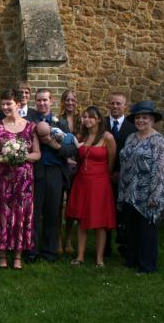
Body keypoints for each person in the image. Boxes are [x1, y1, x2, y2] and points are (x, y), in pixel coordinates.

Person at [0, 89, 41, 270]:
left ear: (18, 104)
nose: (5, 107)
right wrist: (5, 158)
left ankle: (18, 255)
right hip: (2, 180)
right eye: (3, 104)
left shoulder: (30, 127)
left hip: (24, 181)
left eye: (8, 103)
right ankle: (2, 254)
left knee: (20, 214)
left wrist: (22, 156)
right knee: (2, 213)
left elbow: (37, 154)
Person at [118, 101, 164, 274]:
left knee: (147, 232)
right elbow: (125, 164)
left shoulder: (158, 141)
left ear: (152, 120)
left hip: (147, 193)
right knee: (131, 229)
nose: (141, 120)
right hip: (129, 192)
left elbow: (161, 171)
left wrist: (155, 196)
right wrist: (123, 190)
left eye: (144, 117)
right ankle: (132, 260)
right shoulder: (131, 138)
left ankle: (147, 266)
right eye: (138, 117)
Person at [28, 88, 78, 262]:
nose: (42, 103)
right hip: (36, 172)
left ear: (52, 101)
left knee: (52, 213)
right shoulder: (29, 122)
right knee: (34, 213)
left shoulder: (61, 123)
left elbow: (71, 149)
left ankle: (49, 251)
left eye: (45, 100)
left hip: (56, 172)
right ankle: (32, 251)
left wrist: (53, 144)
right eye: (39, 100)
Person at [66, 106, 117, 268]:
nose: (87, 120)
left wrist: (101, 177)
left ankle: (99, 258)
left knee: (100, 221)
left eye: (91, 117)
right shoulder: (81, 136)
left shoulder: (108, 137)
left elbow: (111, 162)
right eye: (85, 117)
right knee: (81, 220)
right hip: (82, 181)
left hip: (100, 183)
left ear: (99, 119)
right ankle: (80, 256)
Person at [105, 91, 137, 257]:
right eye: (112, 103)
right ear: (108, 105)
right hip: (103, 176)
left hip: (125, 177)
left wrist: (120, 172)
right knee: (105, 211)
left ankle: (124, 246)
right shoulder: (101, 124)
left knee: (123, 212)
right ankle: (105, 247)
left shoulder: (132, 128)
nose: (115, 106)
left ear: (125, 106)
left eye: (119, 103)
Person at [58, 89, 82, 255]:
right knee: (59, 205)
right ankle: (58, 240)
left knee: (72, 206)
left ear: (77, 102)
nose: (70, 103)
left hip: (79, 168)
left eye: (73, 100)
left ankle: (68, 240)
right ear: (63, 102)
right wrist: (66, 158)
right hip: (62, 165)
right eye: (67, 100)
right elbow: (55, 141)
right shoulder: (57, 120)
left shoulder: (83, 120)